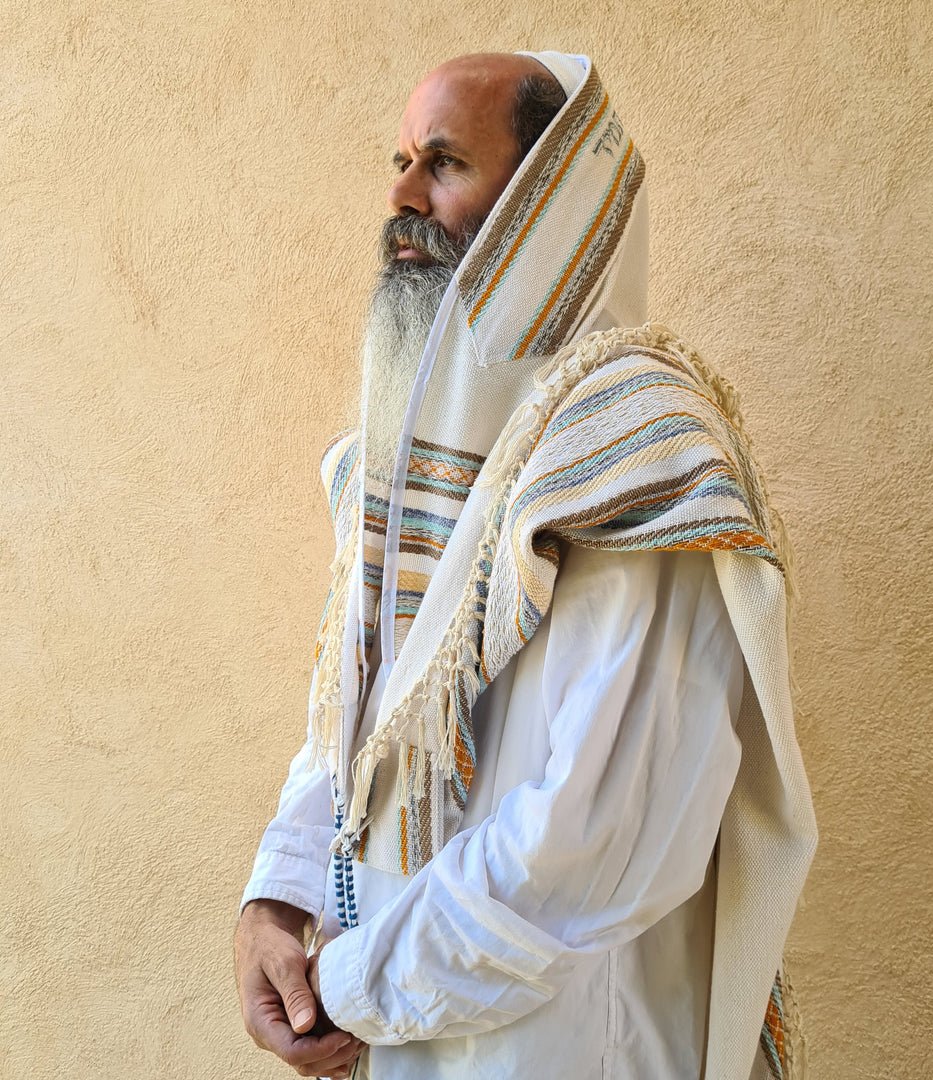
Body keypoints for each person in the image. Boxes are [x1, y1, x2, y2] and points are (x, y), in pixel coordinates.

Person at [234, 51, 816, 1080]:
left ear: (548, 204)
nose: (402, 196)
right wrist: (276, 905)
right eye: (402, 161)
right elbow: (355, 727)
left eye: (446, 163)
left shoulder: (638, 456)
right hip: (394, 1029)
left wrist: (354, 985)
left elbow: (599, 842)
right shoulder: (403, 469)